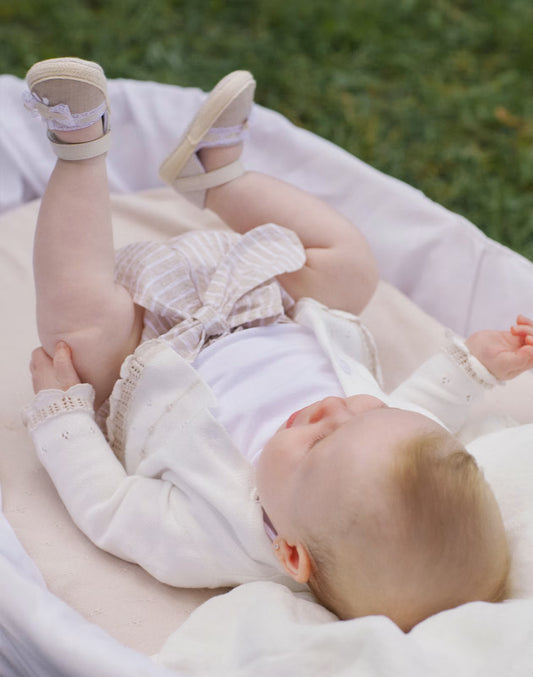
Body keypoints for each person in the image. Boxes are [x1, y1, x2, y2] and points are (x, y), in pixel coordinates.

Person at [22, 57, 533, 632]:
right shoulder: (387, 447)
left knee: (76, 329)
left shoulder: (212, 542)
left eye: (319, 439)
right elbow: (427, 406)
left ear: (291, 554)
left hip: (142, 354)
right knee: (354, 265)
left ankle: (79, 145)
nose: (337, 407)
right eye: (370, 410)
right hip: (267, 305)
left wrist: (63, 416)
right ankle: (219, 179)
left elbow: (108, 508)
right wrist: (477, 367)